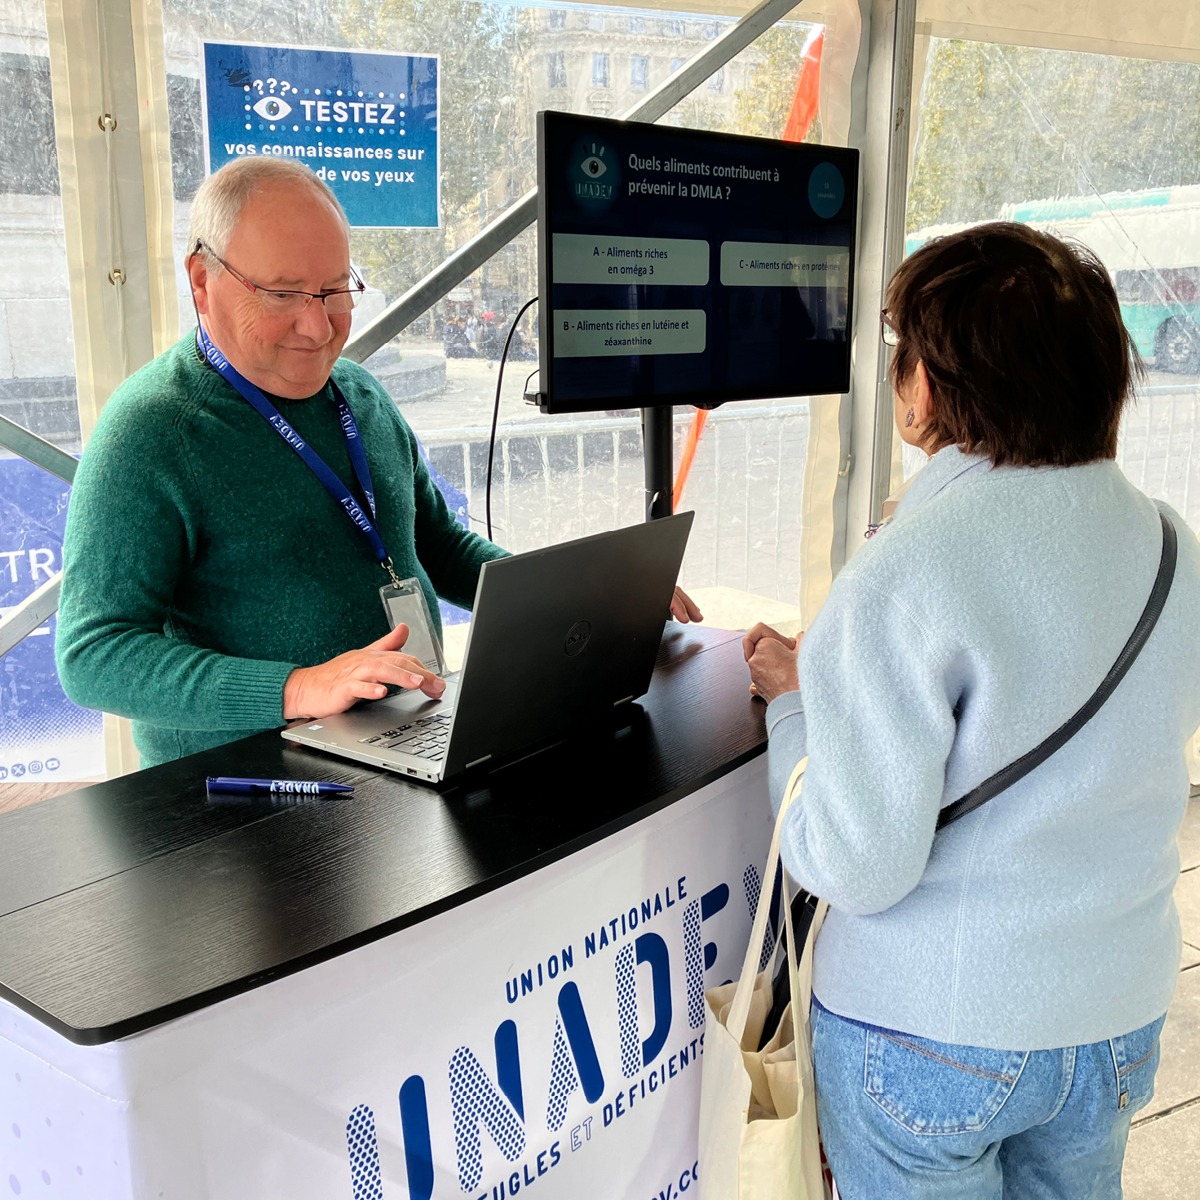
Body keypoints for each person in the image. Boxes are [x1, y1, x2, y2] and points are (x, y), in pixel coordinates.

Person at [743, 222, 1200, 1199]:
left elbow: (854, 864)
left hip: (931, 1031)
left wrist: (794, 710)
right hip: (1113, 1017)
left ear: (931, 387)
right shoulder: (1170, 545)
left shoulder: (905, 572)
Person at [56, 158, 699, 767]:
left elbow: (435, 545)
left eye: (336, 288)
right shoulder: (150, 433)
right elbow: (93, 653)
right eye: (282, 294)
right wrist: (300, 687)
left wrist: (582, 596)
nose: (318, 326)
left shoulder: (359, 393)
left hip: (402, 742)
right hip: (244, 788)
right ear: (202, 281)